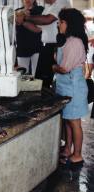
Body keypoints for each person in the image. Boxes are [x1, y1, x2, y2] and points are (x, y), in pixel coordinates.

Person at [54, 9, 88, 168]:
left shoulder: (75, 42)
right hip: (66, 87)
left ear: (69, 24)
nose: (58, 25)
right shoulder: (67, 41)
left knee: (75, 123)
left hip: (73, 88)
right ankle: (68, 149)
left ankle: (77, 155)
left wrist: (54, 67)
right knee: (68, 121)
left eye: (61, 22)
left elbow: (65, 68)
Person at [24, 0, 71, 87]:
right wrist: (23, 21)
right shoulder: (48, 7)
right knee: (40, 80)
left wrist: (25, 17)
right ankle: (43, 99)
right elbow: (38, 29)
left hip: (56, 47)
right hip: (46, 47)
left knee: (46, 81)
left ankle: (49, 98)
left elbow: (47, 19)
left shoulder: (62, 2)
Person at [15, 0, 43, 76]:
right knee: (22, 75)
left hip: (37, 46)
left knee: (37, 75)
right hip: (22, 47)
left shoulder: (40, 10)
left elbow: (38, 29)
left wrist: (24, 20)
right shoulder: (17, 11)